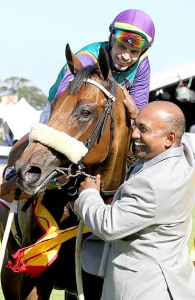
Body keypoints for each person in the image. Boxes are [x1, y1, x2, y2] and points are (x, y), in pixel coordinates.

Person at [74, 101, 195, 300]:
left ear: (169, 138)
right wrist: (142, 117)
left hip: (142, 289)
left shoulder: (151, 185)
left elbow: (109, 225)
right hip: (172, 282)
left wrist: (89, 194)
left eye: (143, 129)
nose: (134, 134)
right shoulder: (186, 156)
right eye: (136, 125)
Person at [40, 8, 155, 123]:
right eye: (122, 47)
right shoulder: (87, 57)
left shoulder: (142, 63)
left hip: (106, 117)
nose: (126, 56)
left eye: (134, 52)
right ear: (112, 40)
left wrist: (135, 113)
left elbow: (138, 110)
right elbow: (64, 99)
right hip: (64, 111)